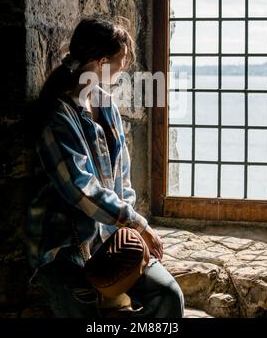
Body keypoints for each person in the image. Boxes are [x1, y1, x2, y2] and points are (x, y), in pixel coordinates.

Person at [26, 17, 184, 318]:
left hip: (109, 238)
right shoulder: (57, 117)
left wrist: (132, 235)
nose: (124, 68)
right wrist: (139, 224)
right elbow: (81, 189)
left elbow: (121, 180)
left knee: (168, 297)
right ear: (101, 62)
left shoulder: (107, 106)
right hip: (64, 248)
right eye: (121, 61)